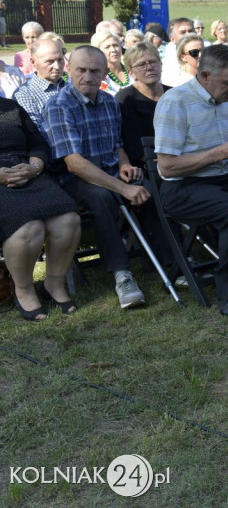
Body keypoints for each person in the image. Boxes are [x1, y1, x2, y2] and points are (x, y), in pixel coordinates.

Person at [153, 44, 228, 319]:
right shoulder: (175, 102)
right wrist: (223, 152)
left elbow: (221, 155)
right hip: (182, 187)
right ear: (204, 76)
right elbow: (167, 165)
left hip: (222, 178)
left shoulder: (223, 99)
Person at [44, 45, 151, 310]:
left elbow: (118, 144)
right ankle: (122, 274)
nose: (88, 76)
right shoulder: (58, 105)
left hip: (110, 170)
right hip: (74, 178)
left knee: (150, 187)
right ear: (69, 68)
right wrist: (122, 188)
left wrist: (125, 164)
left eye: (94, 71)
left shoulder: (109, 102)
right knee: (103, 196)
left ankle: (169, 259)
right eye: (81, 69)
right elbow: (74, 163)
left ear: (104, 72)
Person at [0, 97, 81, 320]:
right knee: (28, 227)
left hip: (28, 173)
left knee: (68, 220)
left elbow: (38, 144)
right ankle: (23, 290)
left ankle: (53, 285)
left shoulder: (11, 107)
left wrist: (33, 167)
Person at [117, 42, 170, 168]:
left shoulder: (174, 94)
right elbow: (134, 147)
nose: (149, 67)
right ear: (131, 73)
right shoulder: (125, 100)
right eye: (141, 64)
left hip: (181, 158)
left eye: (153, 62)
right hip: (147, 166)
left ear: (161, 64)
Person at [13, 39, 66, 131]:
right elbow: (37, 134)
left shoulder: (73, 88)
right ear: (33, 62)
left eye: (60, 60)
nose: (57, 66)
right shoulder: (24, 95)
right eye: (50, 61)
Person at [90, 30, 129, 96]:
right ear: (98, 51)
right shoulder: (97, 76)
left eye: (115, 45)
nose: (113, 50)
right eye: (107, 47)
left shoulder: (132, 70)